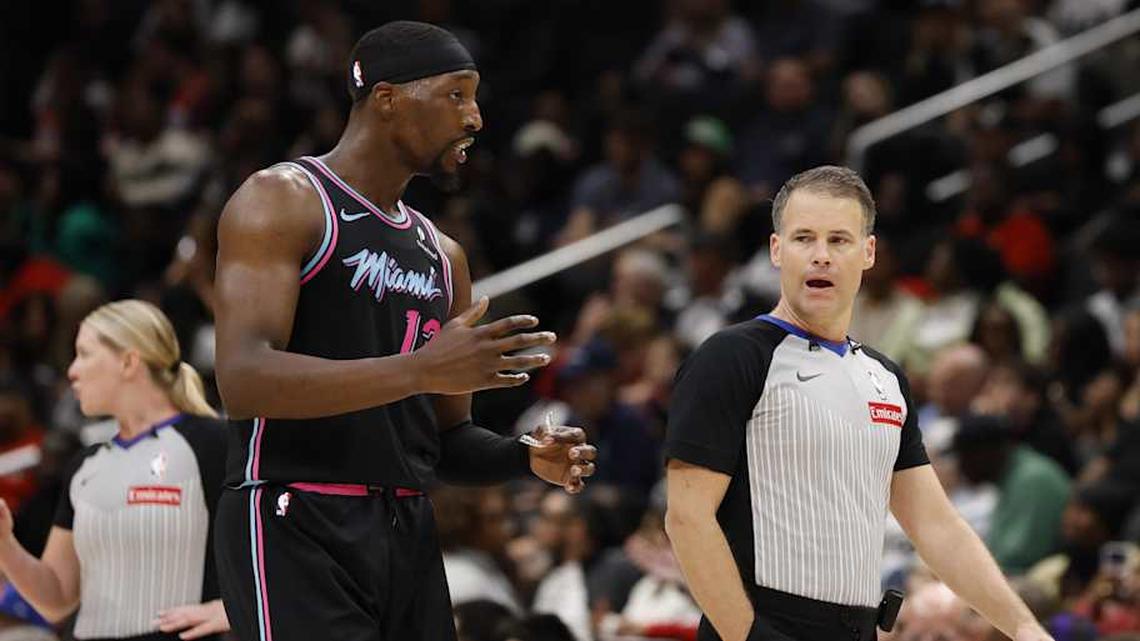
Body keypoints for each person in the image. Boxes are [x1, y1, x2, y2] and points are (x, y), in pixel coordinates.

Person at [211, 21, 597, 641]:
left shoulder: (445, 256)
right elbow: (244, 380)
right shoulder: (284, 200)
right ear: (388, 100)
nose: (475, 118)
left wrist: (524, 460)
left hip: (406, 525)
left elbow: (444, 442)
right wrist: (419, 370)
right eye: (456, 95)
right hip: (293, 514)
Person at [664, 165, 1054, 641]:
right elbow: (687, 517)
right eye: (804, 238)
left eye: (839, 240)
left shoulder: (885, 378)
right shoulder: (732, 357)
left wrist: (1023, 626)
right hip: (763, 626)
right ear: (775, 249)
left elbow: (936, 527)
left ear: (867, 252)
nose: (821, 256)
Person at [0, 299, 229, 640]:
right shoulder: (84, 465)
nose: (72, 371)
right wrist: (4, 542)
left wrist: (232, 609)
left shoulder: (212, 443)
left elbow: (282, 541)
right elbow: (58, 598)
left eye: (84, 354)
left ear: (128, 361)